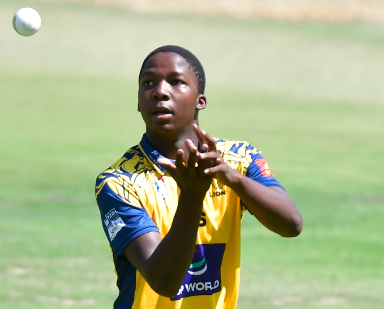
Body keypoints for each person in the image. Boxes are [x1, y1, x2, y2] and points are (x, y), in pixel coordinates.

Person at [95, 45, 302, 309]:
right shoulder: (118, 182)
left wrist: (230, 176)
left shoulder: (239, 159)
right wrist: (192, 197)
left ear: (200, 100)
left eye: (176, 82)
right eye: (148, 83)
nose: (160, 91)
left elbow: (291, 224)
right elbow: (165, 281)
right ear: (138, 101)